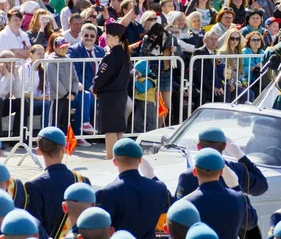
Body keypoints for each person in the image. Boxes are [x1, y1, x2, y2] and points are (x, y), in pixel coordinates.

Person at [95, 139, 172, 239]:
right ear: (140, 160)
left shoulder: (106, 192)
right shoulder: (159, 188)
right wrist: (153, 177)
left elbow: (99, 228)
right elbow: (171, 204)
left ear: (114, 162)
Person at [25, 127, 91, 237]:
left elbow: (34, 224)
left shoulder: (33, 184)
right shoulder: (82, 180)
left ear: (39, 151)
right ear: (64, 149)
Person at [175, 126, 268, 199]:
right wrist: (241, 156)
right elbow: (262, 186)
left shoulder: (188, 175)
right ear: (224, 147)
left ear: (198, 147)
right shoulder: (238, 170)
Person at [184, 148, 258, 239]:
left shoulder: (186, 203)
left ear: (194, 172)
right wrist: (236, 186)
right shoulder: (238, 198)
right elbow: (250, 222)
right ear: (221, 172)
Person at [91, 23, 131, 160]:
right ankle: (120, 158)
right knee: (118, 129)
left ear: (115, 38)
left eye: (108, 36)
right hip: (120, 95)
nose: (106, 39)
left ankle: (110, 158)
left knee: (110, 130)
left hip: (109, 96)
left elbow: (102, 76)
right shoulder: (125, 55)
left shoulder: (111, 56)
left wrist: (95, 88)